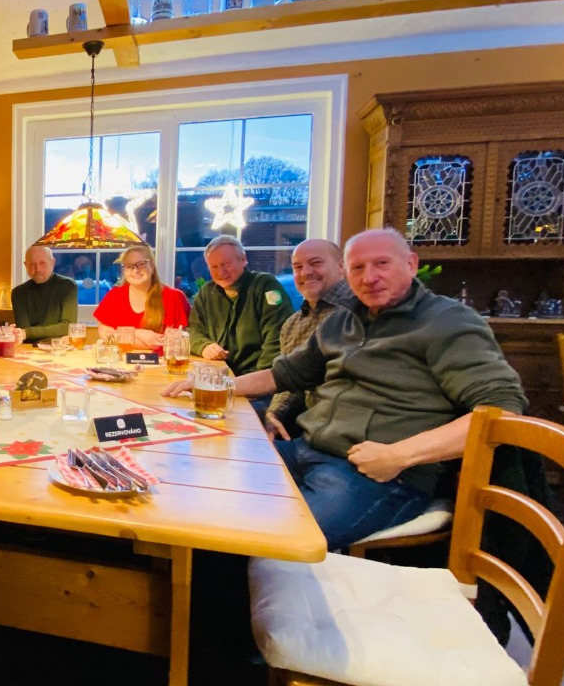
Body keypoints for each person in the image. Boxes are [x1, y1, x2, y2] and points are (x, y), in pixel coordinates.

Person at [164, 229, 527, 551]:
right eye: (358, 268)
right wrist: (213, 384)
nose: (369, 277)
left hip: (376, 474)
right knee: (201, 492)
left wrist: (399, 455)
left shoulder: (447, 321)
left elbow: (502, 411)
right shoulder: (344, 319)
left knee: (264, 540)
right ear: (347, 273)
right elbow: (284, 373)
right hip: (305, 450)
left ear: (411, 264)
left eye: (381, 264)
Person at [264, 239, 353, 441]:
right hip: (307, 427)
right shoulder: (293, 323)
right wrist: (274, 413)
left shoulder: (357, 312)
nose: (305, 272)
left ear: (342, 266)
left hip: (342, 436)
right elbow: (290, 379)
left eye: (316, 263)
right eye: (298, 267)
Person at [188, 235, 293, 375]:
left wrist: (258, 379)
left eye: (226, 264)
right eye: (214, 267)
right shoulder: (207, 292)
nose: (221, 272)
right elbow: (193, 330)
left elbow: (277, 338)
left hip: (255, 377)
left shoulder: (266, 286)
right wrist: (204, 346)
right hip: (215, 375)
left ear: (243, 260)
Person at [93, 244, 190, 350]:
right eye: (129, 266)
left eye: (141, 264)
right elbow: (106, 334)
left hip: (158, 360)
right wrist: (137, 333)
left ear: (152, 266)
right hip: (120, 358)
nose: (135, 270)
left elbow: (169, 344)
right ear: (124, 271)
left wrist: (121, 337)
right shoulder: (114, 295)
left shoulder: (174, 297)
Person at [11, 245, 78, 344]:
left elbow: (68, 326)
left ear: (52, 263)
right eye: (32, 264)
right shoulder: (18, 293)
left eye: (42, 263)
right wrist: (27, 333)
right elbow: (23, 332)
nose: (37, 269)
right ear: (26, 265)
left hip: (60, 348)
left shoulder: (67, 286)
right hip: (29, 349)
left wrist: (28, 333)